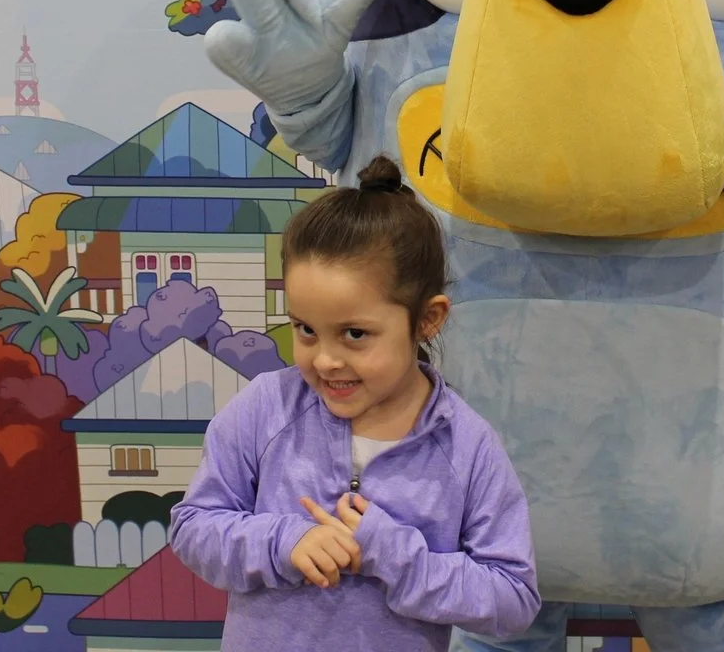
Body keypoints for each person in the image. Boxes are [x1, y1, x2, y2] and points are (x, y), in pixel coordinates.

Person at [169, 155, 541, 651]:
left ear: (427, 319)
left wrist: (396, 557)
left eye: (355, 334)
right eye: (305, 329)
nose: (325, 360)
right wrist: (283, 541)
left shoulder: (467, 446)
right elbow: (193, 528)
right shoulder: (264, 409)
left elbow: (513, 599)